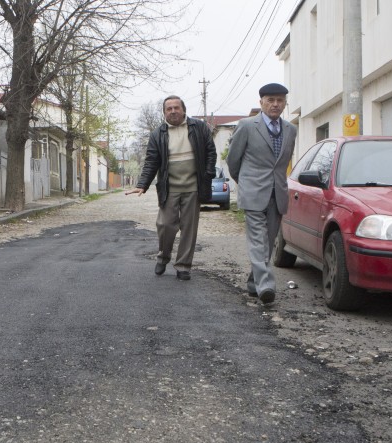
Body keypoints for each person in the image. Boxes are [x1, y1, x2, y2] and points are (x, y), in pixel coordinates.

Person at [125, 96, 217, 280]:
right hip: (170, 188)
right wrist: (142, 184)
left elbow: (210, 153)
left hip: (193, 187)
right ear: (164, 112)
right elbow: (152, 161)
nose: (173, 111)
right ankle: (163, 256)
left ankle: (183, 266)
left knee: (189, 228)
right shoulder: (158, 133)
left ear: (183, 109)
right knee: (165, 225)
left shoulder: (199, 128)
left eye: (176, 107)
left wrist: (207, 175)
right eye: (169, 109)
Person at [226, 83, 297, 304]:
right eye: (270, 100)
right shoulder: (247, 126)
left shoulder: (290, 129)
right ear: (261, 102)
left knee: (268, 239)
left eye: (280, 100)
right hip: (253, 191)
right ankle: (266, 285)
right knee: (258, 240)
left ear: (285, 103)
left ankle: (253, 282)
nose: (275, 104)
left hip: (278, 193)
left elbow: (283, 162)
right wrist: (245, 183)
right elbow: (233, 160)